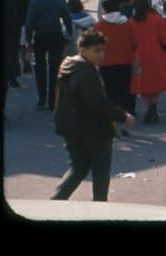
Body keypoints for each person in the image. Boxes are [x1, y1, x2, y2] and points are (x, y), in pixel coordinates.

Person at [50, 31, 135, 201]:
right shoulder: (86, 72)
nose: (101, 55)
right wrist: (123, 116)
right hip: (94, 128)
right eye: (96, 51)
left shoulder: (69, 66)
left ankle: (56, 202)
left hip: (71, 127)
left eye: (103, 50)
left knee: (79, 167)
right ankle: (99, 208)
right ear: (82, 50)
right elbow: (98, 103)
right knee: (101, 171)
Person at [26, 0, 74, 111]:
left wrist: (29, 39)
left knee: (40, 66)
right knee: (55, 67)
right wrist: (69, 34)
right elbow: (66, 17)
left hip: (40, 35)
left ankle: (42, 97)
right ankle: (53, 99)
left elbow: (30, 22)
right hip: (55, 34)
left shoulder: (35, 1)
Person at [129, 0, 166, 124]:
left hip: (139, 56)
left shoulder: (133, 20)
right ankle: (153, 106)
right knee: (155, 83)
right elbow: (163, 37)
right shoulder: (156, 18)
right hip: (155, 54)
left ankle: (147, 108)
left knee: (143, 85)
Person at [94, 0, 137, 124]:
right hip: (125, 62)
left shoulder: (99, 26)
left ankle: (112, 121)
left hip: (106, 64)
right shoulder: (128, 23)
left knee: (109, 93)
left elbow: (95, 46)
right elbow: (135, 43)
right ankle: (126, 117)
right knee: (126, 92)